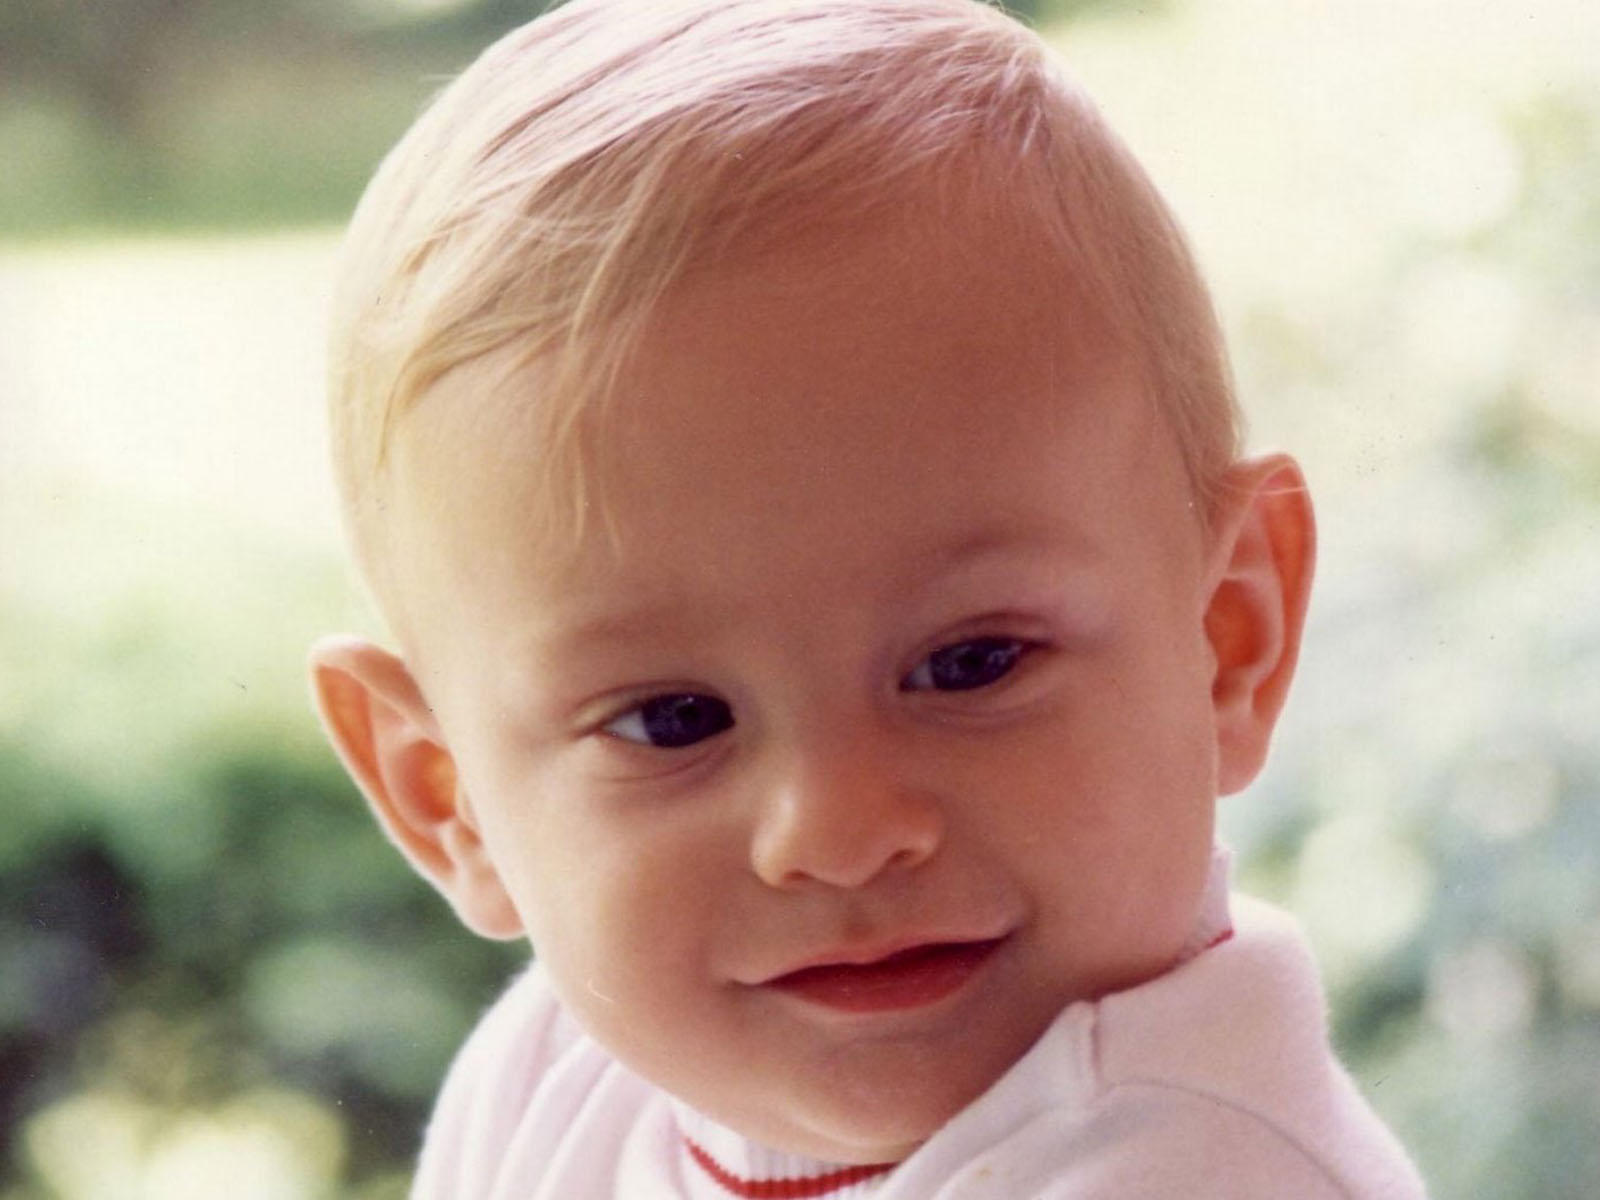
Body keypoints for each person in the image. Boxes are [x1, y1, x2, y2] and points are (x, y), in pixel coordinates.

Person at [308, 0, 1428, 1194]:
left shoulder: (1185, 1167)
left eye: (970, 663)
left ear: (1225, 640)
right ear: (450, 800)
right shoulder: (557, 1077)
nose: (839, 833)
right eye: (672, 721)